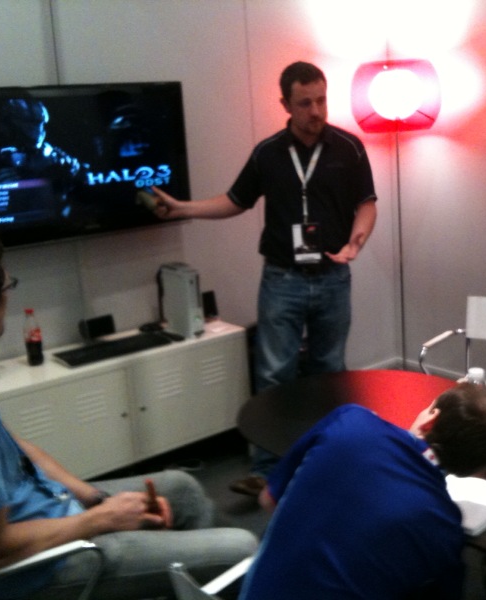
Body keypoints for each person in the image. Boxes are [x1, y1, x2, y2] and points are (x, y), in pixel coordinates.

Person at [0, 226, 258, 600]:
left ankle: (191, 583)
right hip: (44, 570)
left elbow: (18, 449)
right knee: (243, 549)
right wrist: (102, 519)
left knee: (183, 489)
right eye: (7, 287)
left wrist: (94, 498)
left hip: (53, 509)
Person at [152, 61, 377, 496]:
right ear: (285, 105)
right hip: (282, 278)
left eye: (321, 100)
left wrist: (357, 240)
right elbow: (235, 201)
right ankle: (268, 469)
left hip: (333, 275)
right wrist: (183, 208)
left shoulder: (349, 147)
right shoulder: (268, 153)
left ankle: (328, 459)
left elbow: (366, 203)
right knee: (274, 374)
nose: (316, 111)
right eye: (305, 103)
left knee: (330, 371)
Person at [236, 383, 486, 599]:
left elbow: (268, 500)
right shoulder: (445, 527)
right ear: (469, 470)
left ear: (430, 420)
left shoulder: (351, 421)